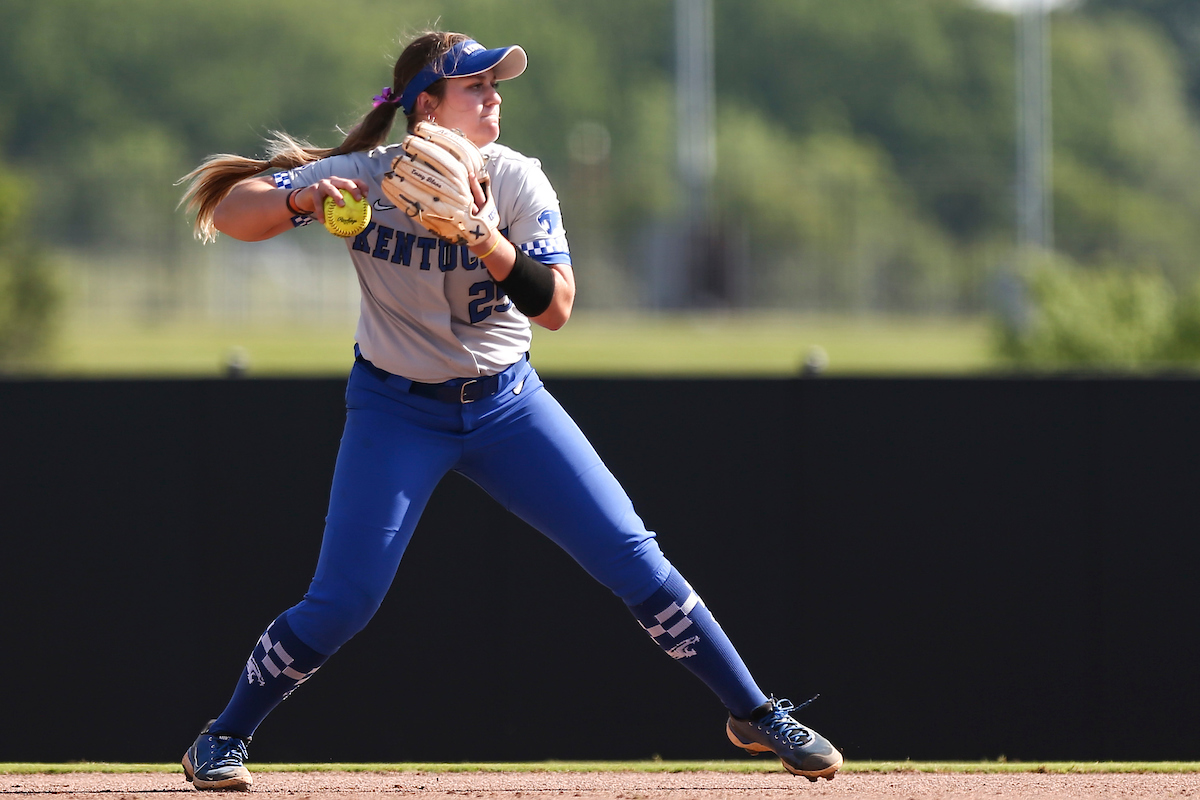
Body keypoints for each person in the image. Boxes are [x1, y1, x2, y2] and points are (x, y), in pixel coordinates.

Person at [176, 31, 842, 790]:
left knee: (632, 556)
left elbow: (555, 308)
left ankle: (754, 713)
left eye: (496, 85)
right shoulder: (366, 176)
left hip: (508, 406)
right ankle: (222, 737)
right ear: (427, 107)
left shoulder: (517, 180)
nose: (494, 97)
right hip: (396, 409)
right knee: (344, 602)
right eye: (476, 86)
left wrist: (480, 233)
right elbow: (234, 212)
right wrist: (303, 199)